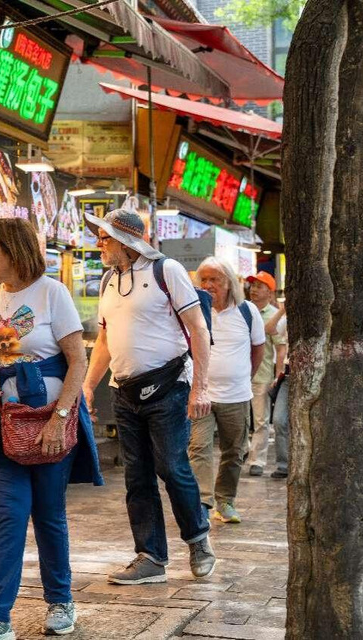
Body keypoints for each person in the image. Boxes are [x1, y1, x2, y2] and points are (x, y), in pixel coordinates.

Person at [0, 219, 102, 640]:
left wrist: (61, 419)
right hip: (6, 424)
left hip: (49, 423)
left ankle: (61, 602)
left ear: (12, 248)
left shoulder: (52, 292)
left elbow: (77, 361)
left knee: (48, 515)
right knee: (8, 515)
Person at [82, 207, 215, 586]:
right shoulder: (109, 278)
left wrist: (200, 387)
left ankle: (198, 540)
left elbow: (198, 331)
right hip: (124, 391)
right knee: (136, 476)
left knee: (172, 467)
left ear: (126, 240)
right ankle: (151, 556)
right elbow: (105, 340)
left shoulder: (165, 271)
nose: (99, 243)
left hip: (169, 385)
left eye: (104, 237)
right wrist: (89, 385)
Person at [187, 258, 265, 524]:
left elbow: (258, 349)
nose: (208, 285)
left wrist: (244, 377)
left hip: (237, 395)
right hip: (202, 394)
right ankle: (203, 503)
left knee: (234, 450)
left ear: (229, 283)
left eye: (214, 280)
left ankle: (226, 500)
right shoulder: (194, 311)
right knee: (199, 447)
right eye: (204, 280)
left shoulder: (247, 311)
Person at [244, 272, 287, 477]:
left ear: (270, 292)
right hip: (241, 375)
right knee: (241, 418)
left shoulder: (274, 316)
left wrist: (277, 375)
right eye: (252, 285)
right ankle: (244, 451)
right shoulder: (242, 310)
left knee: (261, 421)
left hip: (262, 376)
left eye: (260, 286)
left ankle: (257, 460)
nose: (254, 289)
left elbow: (280, 349)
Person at [265, 307, 289, 479]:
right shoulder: (290, 319)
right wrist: (283, 309)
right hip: (288, 377)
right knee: (279, 420)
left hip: (312, 376)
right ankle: (283, 464)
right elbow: (269, 328)